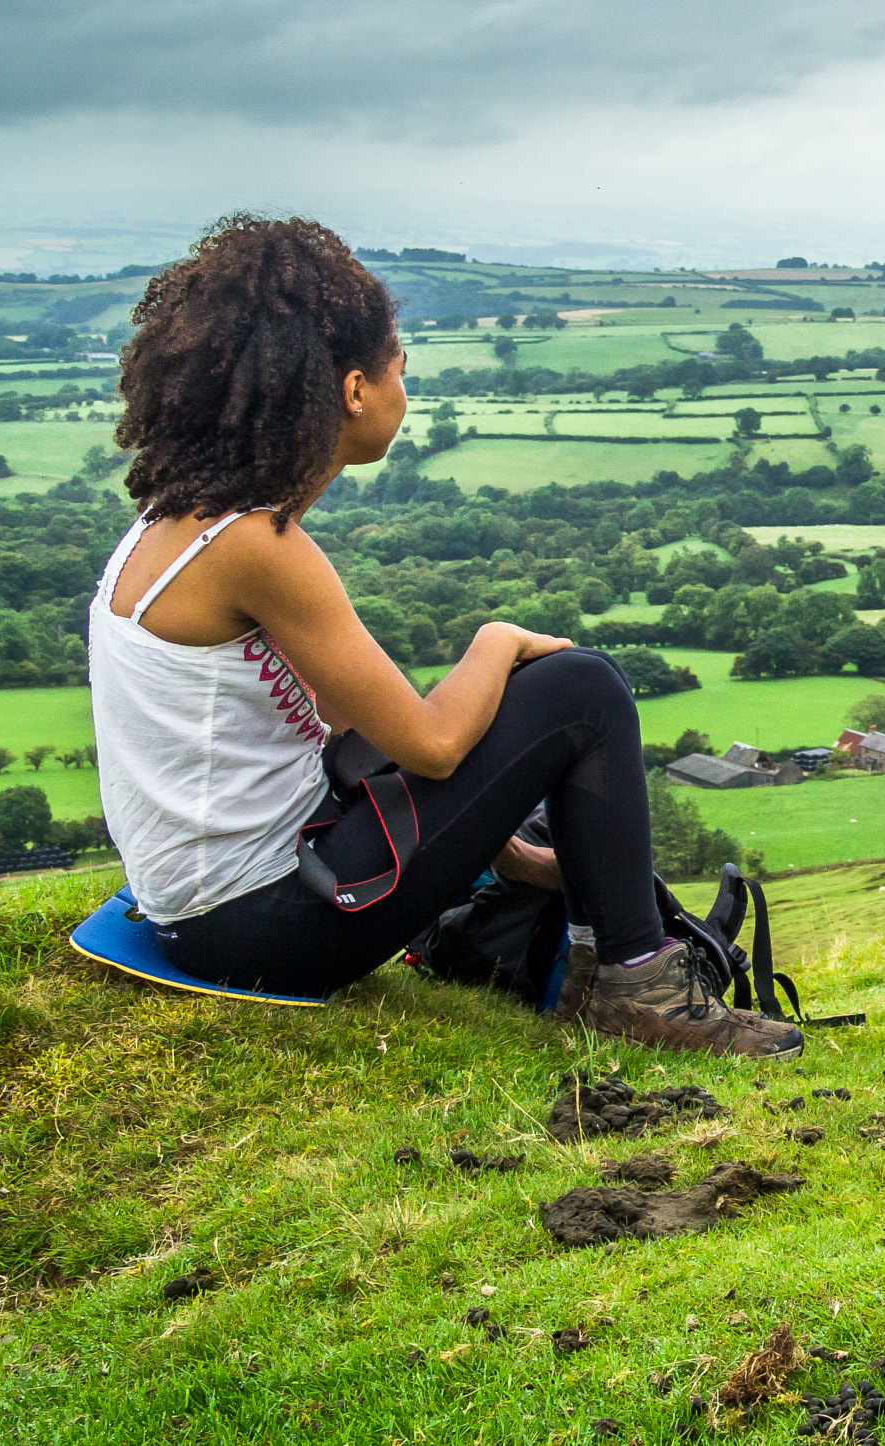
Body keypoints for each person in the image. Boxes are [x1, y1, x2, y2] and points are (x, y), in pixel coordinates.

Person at [90, 214, 799, 1059]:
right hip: (259, 928)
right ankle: (637, 984)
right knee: (584, 689)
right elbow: (429, 747)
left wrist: (501, 850)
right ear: (354, 392)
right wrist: (495, 639)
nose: (404, 392)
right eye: (399, 371)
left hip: (196, 911)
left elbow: (347, 736)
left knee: (555, 707)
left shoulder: (175, 528)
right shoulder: (259, 548)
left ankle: (598, 964)